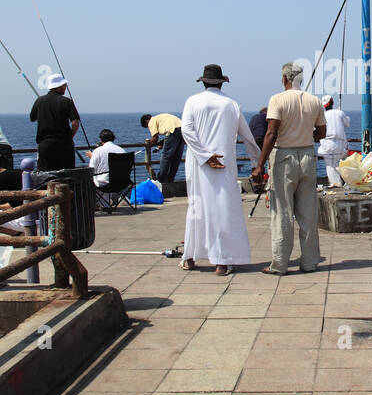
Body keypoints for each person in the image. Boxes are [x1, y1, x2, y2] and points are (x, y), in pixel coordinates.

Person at [179, 64, 263, 276]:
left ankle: (190, 257)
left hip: (198, 164)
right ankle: (222, 262)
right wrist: (256, 163)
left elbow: (186, 131)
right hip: (224, 163)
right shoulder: (231, 104)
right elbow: (247, 136)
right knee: (223, 210)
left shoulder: (192, 101)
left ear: (204, 82)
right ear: (221, 82)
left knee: (196, 207)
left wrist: (205, 156)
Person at [253, 61, 326, 275]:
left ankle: (280, 264)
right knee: (308, 213)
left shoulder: (277, 99)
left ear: (285, 79)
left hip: (283, 157)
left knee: (282, 213)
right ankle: (310, 262)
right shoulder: (314, 101)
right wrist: (305, 136)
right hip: (307, 156)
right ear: (300, 80)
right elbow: (321, 133)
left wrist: (259, 165)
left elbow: (271, 133)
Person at [29, 75, 80, 171]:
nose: (65, 87)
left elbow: (32, 118)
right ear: (58, 86)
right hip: (64, 144)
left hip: (45, 145)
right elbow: (75, 123)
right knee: (67, 174)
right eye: (64, 85)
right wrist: (70, 137)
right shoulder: (66, 101)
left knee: (46, 174)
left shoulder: (39, 100)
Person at [140, 111, 184, 183]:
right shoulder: (161, 118)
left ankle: (161, 180)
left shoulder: (152, 121)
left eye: (147, 126)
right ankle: (170, 179)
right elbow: (171, 138)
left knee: (165, 157)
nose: (148, 128)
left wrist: (148, 144)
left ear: (146, 121)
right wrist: (161, 144)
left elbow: (155, 138)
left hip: (172, 132)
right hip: (182, 131)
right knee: (176, 158)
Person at [319, 96, 351, 186]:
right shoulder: (340, 113)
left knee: (331, 167)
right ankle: (349, 183)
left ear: (323, 105)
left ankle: (336, 185)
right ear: (332, 103)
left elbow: (316, 130)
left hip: (327, 146)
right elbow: (347, 124)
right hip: (341, 146)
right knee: (343, 165)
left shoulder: (322, 115)